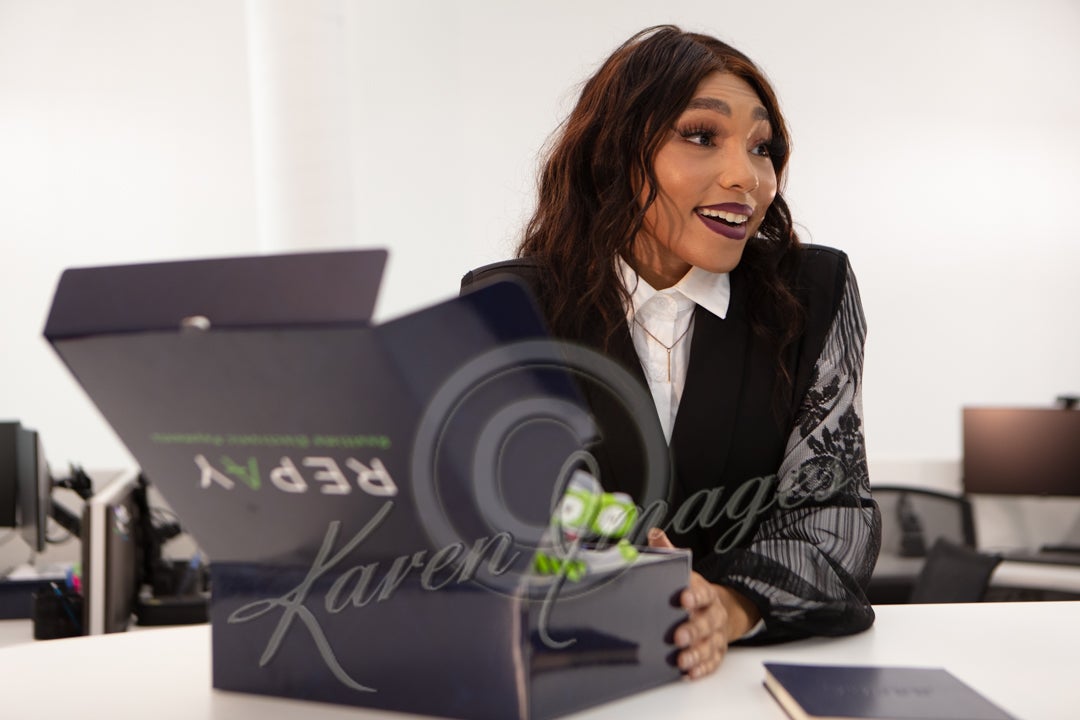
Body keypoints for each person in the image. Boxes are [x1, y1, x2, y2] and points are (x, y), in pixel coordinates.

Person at [461, 25, 881, 680]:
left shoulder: (813, 291)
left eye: (762, 148)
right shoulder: (510, 306)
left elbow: (834, 512)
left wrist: (729, 607)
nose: (747, 177)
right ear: (617, 152)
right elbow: (509, 516)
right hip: (585, 677)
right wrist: (638, 578)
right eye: (702, 136)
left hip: (752, 681)